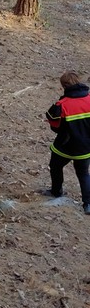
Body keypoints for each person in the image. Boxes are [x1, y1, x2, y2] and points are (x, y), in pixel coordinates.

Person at [45, 71, 90, 216]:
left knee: (55, 167)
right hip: (86, 147)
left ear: (64, 86)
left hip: (65, 146)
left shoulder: (62, 104)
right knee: (83, 174)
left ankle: (56, 191)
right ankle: (88, 204)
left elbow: (55, 126)